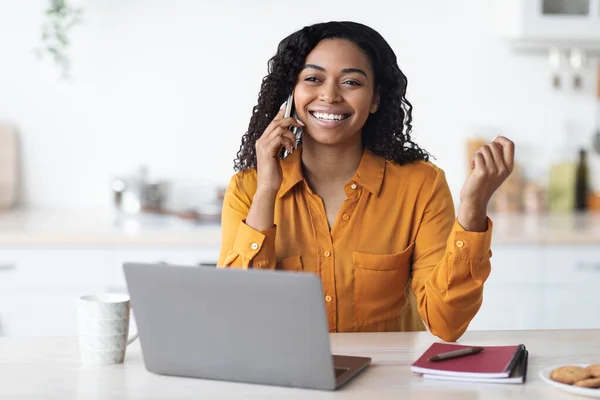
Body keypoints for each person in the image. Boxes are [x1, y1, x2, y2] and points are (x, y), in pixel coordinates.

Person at [217, 21, 514, 342]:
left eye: (351, 82)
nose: (329, 95)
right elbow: (236, 318)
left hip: (386, 383)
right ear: (291, 94)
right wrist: (267, 190)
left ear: (375, 99)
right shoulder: (247, 188)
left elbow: (447, 322)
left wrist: (473, 208)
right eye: (313, 79)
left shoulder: (422, 185)